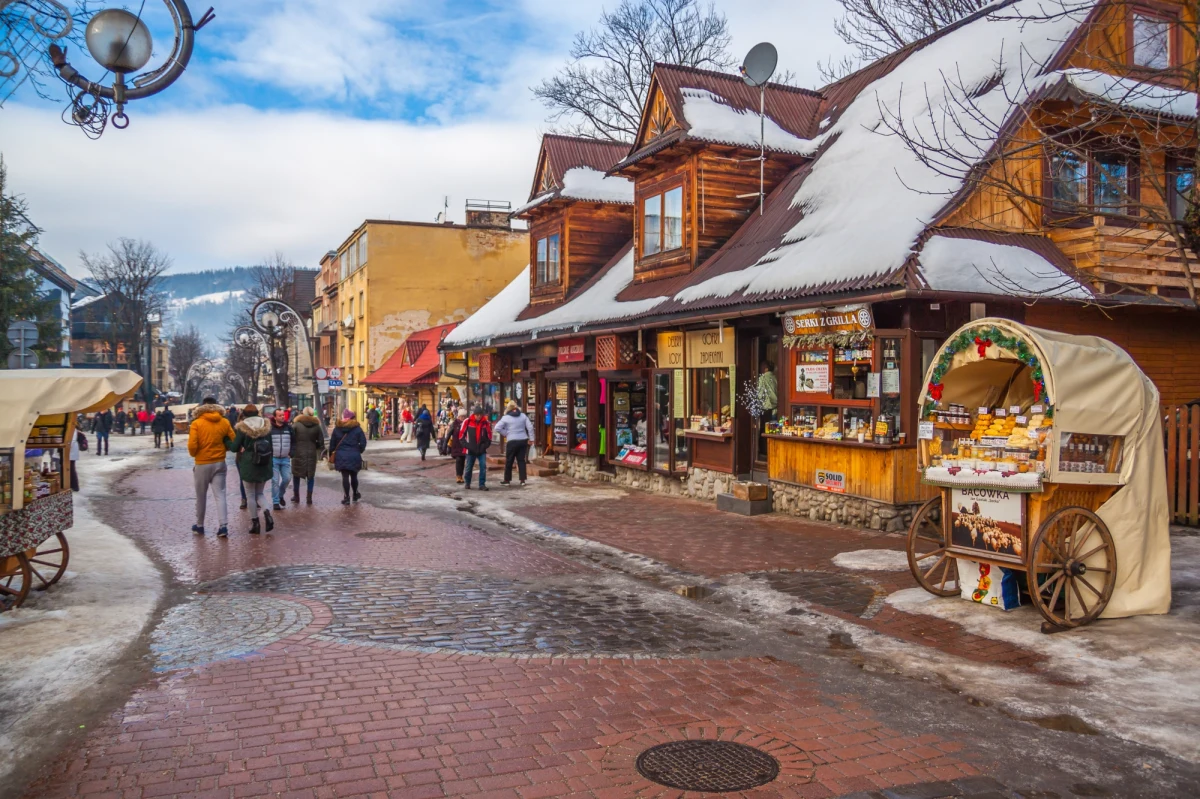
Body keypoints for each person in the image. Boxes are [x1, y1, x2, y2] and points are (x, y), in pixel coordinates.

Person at [188, 396, 234, 537]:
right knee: (220, 495)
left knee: (201, 496)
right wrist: (224, 449)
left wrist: (196, 453)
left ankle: (200, 525)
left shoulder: (197, 423)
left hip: (202, 463)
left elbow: (192, 446)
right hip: (219, 462)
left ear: (202, 406)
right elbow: (233, 440)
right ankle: (223, 526)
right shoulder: (224, 422)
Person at [230, 404, 273, 535]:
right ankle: (267, 513)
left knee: (250, 495)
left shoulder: (243, 428)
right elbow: (270, 445)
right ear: (257, 413)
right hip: (264, 462)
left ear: (244, 414)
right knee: (260, 493)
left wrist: (227, 441)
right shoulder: (266, 426)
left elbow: (234, 447)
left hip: (249, 463)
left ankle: (255, 523)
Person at [329, 409, 367, 505]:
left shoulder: (337, 429)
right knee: (354, 475)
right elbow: (363, 442)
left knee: (345, 476)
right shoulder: (357, 428)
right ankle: (355, 494)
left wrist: (331, 454)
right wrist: (359, 450)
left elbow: (332, 444)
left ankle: (346, 497)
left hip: (341, 455)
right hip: (354, 455)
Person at [493, 400, 534, 486]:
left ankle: (507, 480)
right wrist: (531, 439)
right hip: (523, 440)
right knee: (521, 460)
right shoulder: (523, 416)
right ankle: (522, 480)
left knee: (509, 460)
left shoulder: (506, 417)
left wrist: (506, 433)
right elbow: (530, 427)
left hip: (511, 441)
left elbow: (497, 428)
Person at [291, 407, 324, 505]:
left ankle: (296, 496)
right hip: (311, 453)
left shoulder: (296, 425)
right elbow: (321, 442)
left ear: (302, 413)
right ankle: (309, 498)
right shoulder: (317, 426)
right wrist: (314, 446)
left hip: (298, 452)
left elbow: (291, 439)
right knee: (310, 475)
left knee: (296, 474)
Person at [460, 405, 492, 491]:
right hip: (470, 449)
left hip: (481, 449)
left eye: (480, 414)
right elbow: (461, 435)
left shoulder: (485, 423)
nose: (479, 416)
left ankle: (482, 484)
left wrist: (485, 446)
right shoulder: (467, 421)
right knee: (469, 467)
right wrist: (467, 445)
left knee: (483, 467)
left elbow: (489, 436)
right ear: (474, 414)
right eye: (477, 415)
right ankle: (467, 483)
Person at [268, 407, 294, 510]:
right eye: (280, 415)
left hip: (285, 458)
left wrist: (291, 453)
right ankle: (275, 502)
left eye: (283, 415)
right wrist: (269, 454)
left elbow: (294, 442)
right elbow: (267, 443)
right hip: (274, 459)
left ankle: (280, 495)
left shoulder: (289, 428)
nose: (282, 417)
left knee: (287, 478)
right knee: (275, 481)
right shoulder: (270, 429)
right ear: (275, 417)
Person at [448, 408, 468, 484]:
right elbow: (449, 434)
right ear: (458, 416)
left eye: (464, 416)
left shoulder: (467, 423)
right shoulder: (454, 424)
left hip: (464, 445)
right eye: (462, 416)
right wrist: (445, 444)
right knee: (459, 460)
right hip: (456, 445)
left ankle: (461, 476)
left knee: (462, 460)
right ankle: (458, 476)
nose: (463, 418)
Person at [69, 426, 85, 491]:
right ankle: (73, 486)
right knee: (71, 469)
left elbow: (72, 441)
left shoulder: (72, 429)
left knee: (71, 469)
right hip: (70, 451)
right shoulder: (73, 428)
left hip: (70, 452)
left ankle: (74, 486)